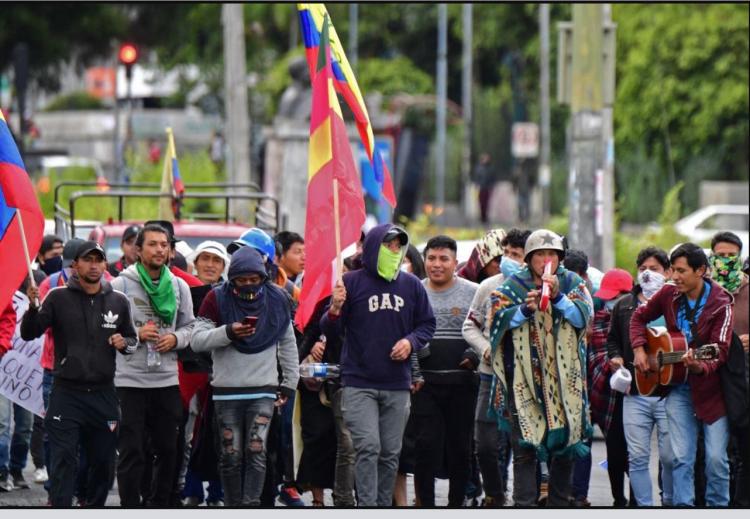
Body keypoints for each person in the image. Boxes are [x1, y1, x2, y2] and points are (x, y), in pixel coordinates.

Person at [321, 224, 436, 506]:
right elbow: (331, 331)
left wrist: (410, 342)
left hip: (397, 384)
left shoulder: (411, 285)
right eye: (389, 245)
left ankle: (384, 505)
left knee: (390, 452)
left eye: (399, 246)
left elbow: (427, 324)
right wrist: (335, 309)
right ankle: (367, 505)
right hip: (359, 382)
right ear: (374, 248)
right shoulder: (350, 282)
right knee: (368, 447)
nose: (394, 251)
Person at [21, 241, 138, 507]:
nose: (94, 265)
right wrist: (32, 307)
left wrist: (125, 343)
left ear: (105, 265)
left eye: (99, 260)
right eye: (88, 260)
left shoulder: (118, 301)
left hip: (104, 394)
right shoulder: (57, 297)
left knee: (103, 463)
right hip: (66, 393)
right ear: (75, 265)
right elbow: (30, 332)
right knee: (63, 460)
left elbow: (132, 341)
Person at [488, 229, 593, 507]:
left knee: (564, 451)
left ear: (560, 257)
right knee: (524, 450)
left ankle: (559, 506)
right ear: (529, 258)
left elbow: (583, 318)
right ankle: (524, 506)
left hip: (564, 383)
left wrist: (558, 299)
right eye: (540, 255)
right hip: (523, 382)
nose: (546, 259)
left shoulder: (572, 283)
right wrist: (523, 310)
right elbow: (496, 321)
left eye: (552, 254)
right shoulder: (512, 286)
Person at [190, 246, 299, 506]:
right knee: (230, 454)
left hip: (263, 390)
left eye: (254, 280)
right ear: (232, 278)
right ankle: (233, 504)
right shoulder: (216, 299)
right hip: (226, 392)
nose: (249, 286)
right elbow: (196, 341)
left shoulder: (278, 299)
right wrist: (228, 332)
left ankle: (251, 504)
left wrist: (289, 385)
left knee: (257, 450)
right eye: (242, 281)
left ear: (263, 277)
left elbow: (288, 344)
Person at [629, 242, 733, 507]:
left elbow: (719, 350)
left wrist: (699, 365)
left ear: (701, 271)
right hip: (678, 387)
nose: (673, 277)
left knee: (716, 461)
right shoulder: (668, 293)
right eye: (672, 270)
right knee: (681, 458)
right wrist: (640, 350)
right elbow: (638, 317)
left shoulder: (721, 304)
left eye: (681, 271)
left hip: (713, 391)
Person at [110, 224, 196, 507]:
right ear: (138, 250)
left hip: (166, 380)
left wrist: (175, 337)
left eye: (164, 244)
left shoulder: (179, 285)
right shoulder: (120, 285)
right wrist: (135, 335)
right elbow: (107, 331)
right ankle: (130, 506)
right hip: (129, 381)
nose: (160, 249)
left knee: (168, 449)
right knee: (132, 451)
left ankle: (159, 505)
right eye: (152, 244)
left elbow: (190, 328)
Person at [463, 230, 531, 507]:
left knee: (523, 444)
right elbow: (470, 326)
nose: (510, 259)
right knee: (485, 443)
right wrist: (485, 348)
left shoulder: (536, 290)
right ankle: (494, 493)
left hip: (525, 378)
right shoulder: (488, 286)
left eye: (517, 255)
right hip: (490, 377)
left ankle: (523, 500)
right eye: (507, 253)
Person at [413, 236, 479, 506]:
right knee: (425, 447)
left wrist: (473, 354)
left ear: (455, 263)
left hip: (463, 384)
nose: (436, 265)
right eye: (431, 258)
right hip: (423, 385)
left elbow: (486, 328)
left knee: (460, 448)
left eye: (443, 259)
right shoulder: (413, 290)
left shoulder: (474, 291)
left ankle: (456, 504)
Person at [608, 247, 674, 506]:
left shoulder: (675, 303)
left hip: (670, 393)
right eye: (643, 269)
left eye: (654, 269)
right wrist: (615, 358)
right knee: (636, 457)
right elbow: (613, 340)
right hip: (635, 393)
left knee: (671, 457)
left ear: (667, 272)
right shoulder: (624, 305)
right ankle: (644, 506)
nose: (648, 274)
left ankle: (668, 501)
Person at [708, 231, 749, 506]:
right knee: (713, 452)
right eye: (720, 256)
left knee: (743, 446)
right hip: (710, 377)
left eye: (731, 256)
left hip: (744, 377)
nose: (725, 261)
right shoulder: (705, 290)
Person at [589, 268, 635, 507]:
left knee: (636, 454)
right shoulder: (595, 320)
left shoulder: (639, 318)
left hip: (636, 393)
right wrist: (612, 364)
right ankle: (619, 500)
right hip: (608, 397)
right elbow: (595, 357)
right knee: (615, 451)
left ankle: (638, 501)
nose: (611, 303)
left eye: (616, 297)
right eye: (608, 298)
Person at [474, 153, 494, 224]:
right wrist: (477, 185)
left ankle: (485, 217)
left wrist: (491, 186)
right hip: (481, 188)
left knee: (486, 203)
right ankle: (482, 217)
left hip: (487, 188)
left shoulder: (490, 168)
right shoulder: (479, 168)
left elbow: (492, 178)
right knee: (481, 203)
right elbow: (476, 178)